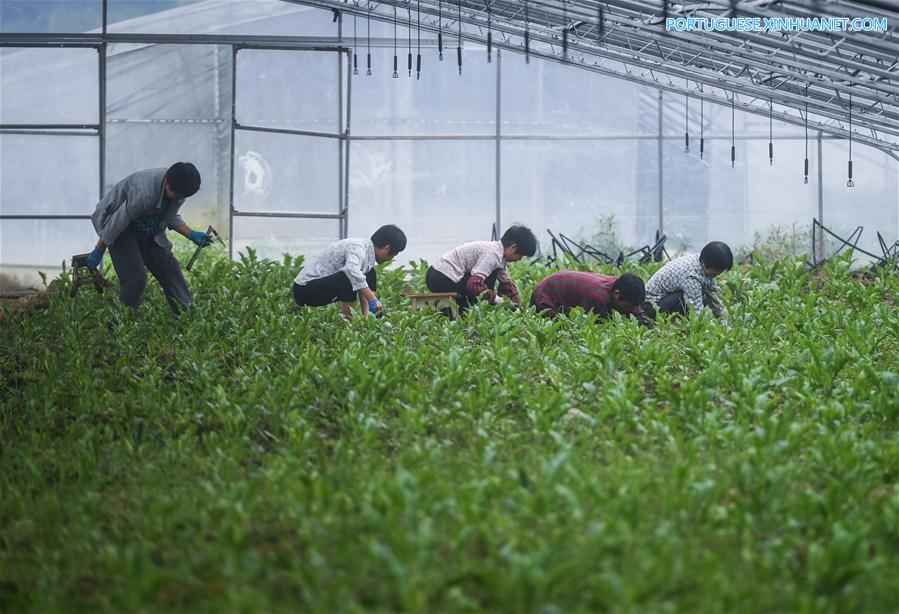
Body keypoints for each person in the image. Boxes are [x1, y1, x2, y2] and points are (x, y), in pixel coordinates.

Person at [85, 162, 209, 314]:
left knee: (169, 267)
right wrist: (99, 249)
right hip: (119, 226)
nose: (180, 199)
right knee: (136, 277)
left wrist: (191, 233)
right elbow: (118, 221)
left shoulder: (178, 189)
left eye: (183, 197)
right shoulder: (145, 192)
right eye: (178, 195)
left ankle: (185, 316)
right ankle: (119, 321)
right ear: (168, 184)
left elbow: (170, 215)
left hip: (145, 224)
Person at [292, 225, 407, 319]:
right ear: (387, 248)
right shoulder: (358, 248)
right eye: (394, 254)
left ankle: (367, 317)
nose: (391, 258)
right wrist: (373, 299)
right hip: (304, 290)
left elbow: (361, 275)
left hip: (317, 287)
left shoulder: (367, 253)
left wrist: (371, 302)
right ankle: (348, 325)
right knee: (349, 276)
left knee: (370, 272)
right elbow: (351, 271)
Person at [425, 225, 538, 313]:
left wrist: (516, 306)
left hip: (438, 275)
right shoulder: (493, 254)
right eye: (521, 256)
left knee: (490, 277)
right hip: (441, 277)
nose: (519, 259)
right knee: (485, 280)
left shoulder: (499, 256)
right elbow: (473, 284)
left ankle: (461, 311)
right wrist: (497, 300)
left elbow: (506, 284)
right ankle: (462, 313)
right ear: (513, 248)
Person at [643, 241, 732, 320]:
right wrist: (704, 327)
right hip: (651, 306)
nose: (717, 274)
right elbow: (696, 309)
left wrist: (722, 317)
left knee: (704, 298)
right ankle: (670, 322)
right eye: (715, 271)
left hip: (666, 299)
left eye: (720, 271)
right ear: (705, 264)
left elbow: (711, 294)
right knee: (688, 299)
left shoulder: (703, 260)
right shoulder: (691, 276)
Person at [530, 270, 647, 322]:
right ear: (617, 295)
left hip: (558, 283)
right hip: (545, 294)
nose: (633, 310)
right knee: (560, 330)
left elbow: (634, 308)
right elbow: (595, 325)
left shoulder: (622, 286)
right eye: (629, 306)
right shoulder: (597, 297)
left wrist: (640, 315)